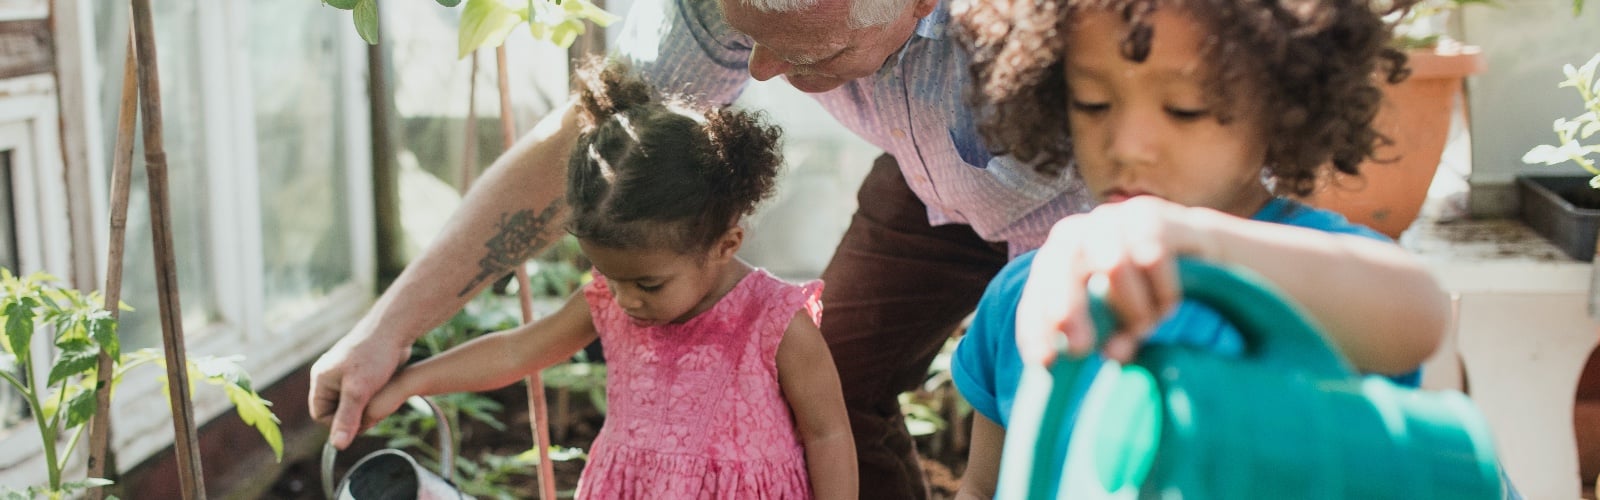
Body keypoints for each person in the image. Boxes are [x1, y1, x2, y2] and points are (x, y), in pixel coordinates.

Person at [310, 0, 1092, 497]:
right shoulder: (731, 12)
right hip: (930, 190)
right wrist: (389, 331)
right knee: (841, 373)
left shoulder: (1053, 27)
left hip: (1087, 210)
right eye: (751, 35)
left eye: (801, 53)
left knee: (1062, 410)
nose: (761, 71)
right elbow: (595, 148)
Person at [945, 0, 1473, 496]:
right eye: (1093, 102)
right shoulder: (1025, 297)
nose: (1127, 144)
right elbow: (986, 486)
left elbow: (1418, 314)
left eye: (1185, 109)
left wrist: (1199, 240)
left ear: (1283, 107)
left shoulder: (1309, 270)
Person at [359, 60, 856, 499]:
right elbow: (516, 352)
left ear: (725, 244)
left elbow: (827, 433)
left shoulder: (774, 323)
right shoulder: (608, 300)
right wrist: (411, 381)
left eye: (648, 283)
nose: (625, 300)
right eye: (609, 275)